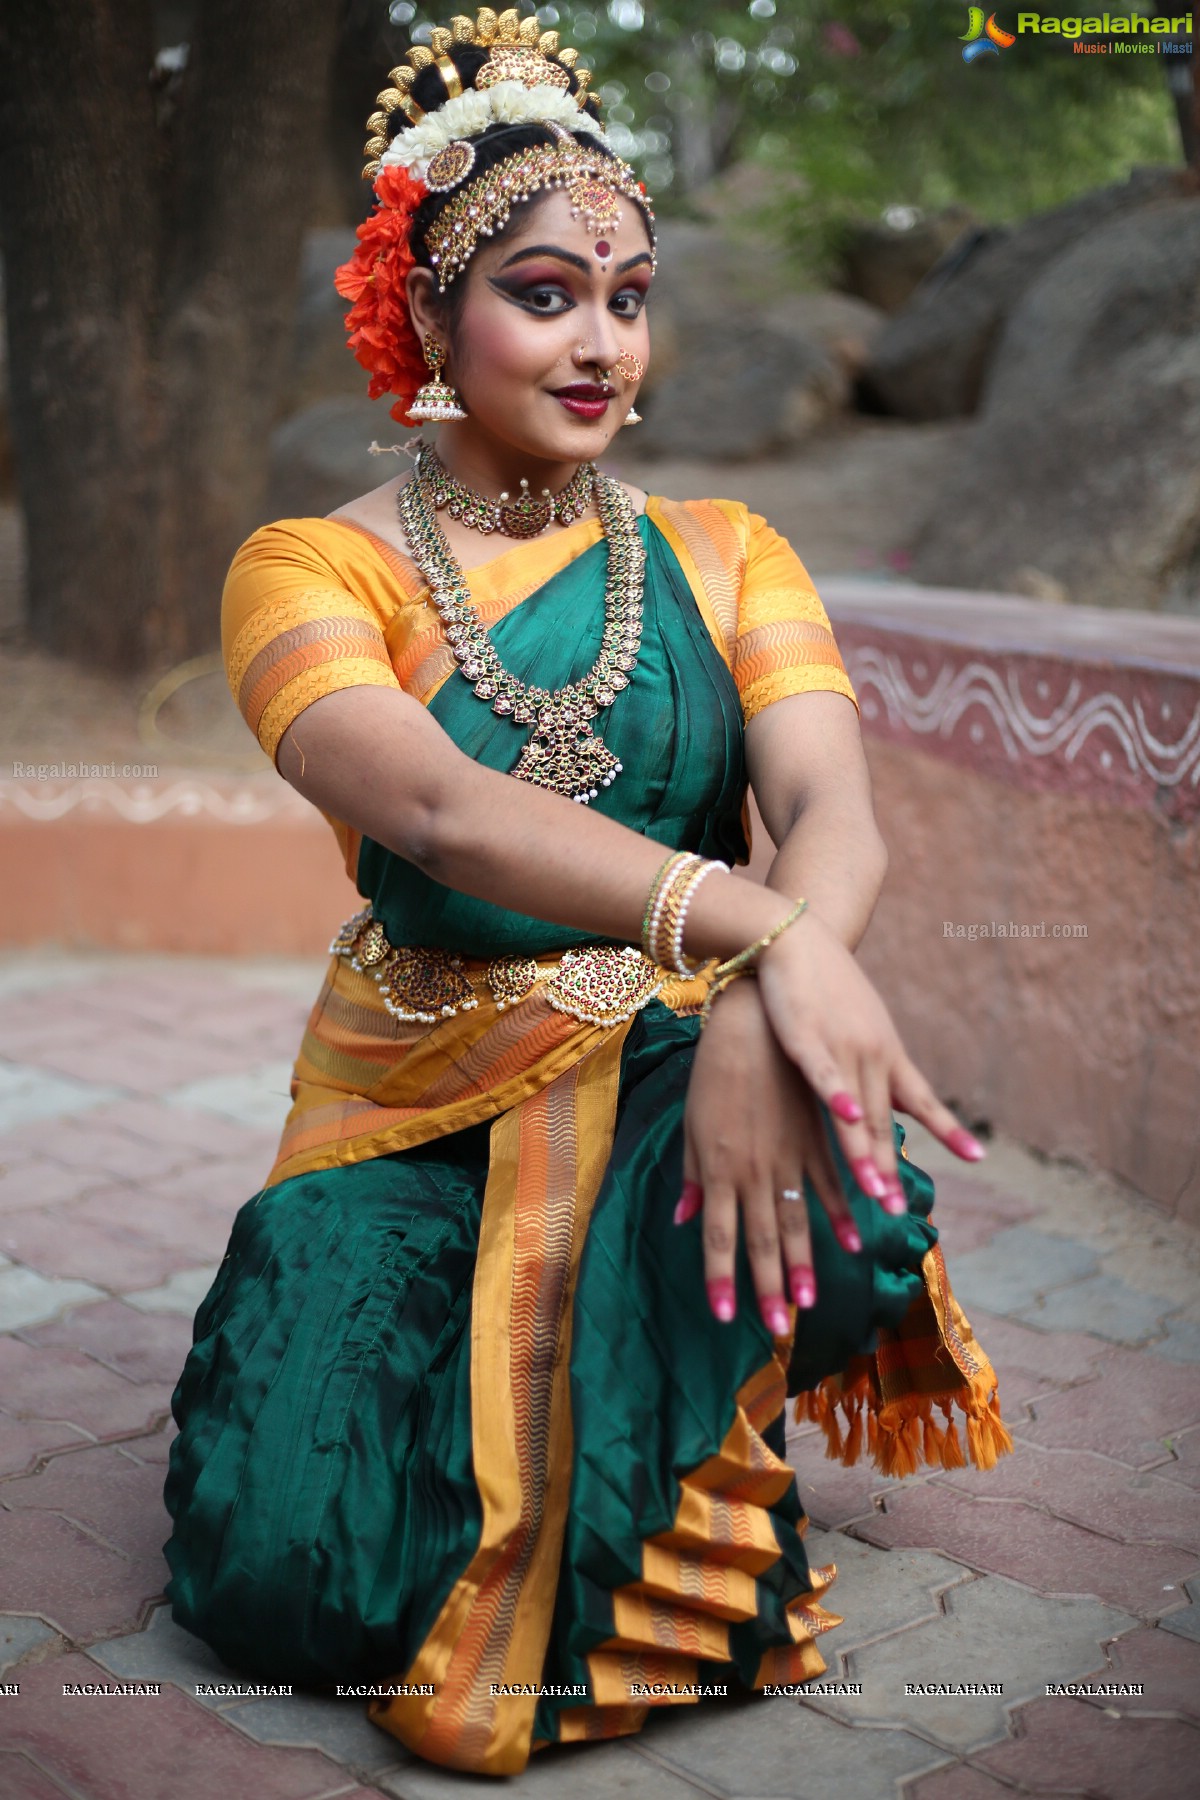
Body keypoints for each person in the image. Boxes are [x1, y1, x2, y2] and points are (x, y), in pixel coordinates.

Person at [162, 7, 1011, 1777]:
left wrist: (760, 1006)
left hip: (663, 1047)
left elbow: (830, 807)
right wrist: (761, 932)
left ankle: (662, 1514)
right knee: (289, 1552)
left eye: (628, 296)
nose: (603, 341)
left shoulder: (724, 552)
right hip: (411, 1101)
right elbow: (443, 814)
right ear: (424, 313)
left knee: (842, 1189)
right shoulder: (307, 567)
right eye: (547, 292)